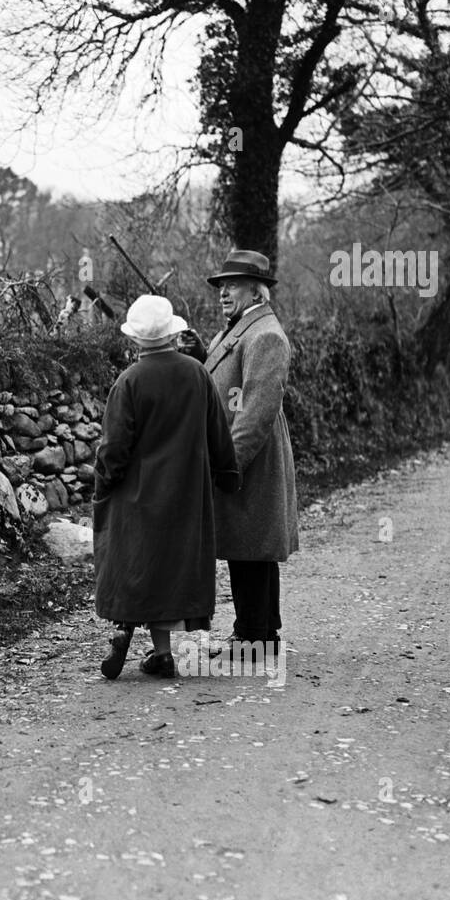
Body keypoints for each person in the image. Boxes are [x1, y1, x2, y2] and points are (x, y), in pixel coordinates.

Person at [95, 294, 240, 680]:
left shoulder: (129, 382)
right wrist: (228, 474)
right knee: (169, 568)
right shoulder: (197, 374)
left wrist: (106, 480)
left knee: (136, 560)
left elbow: (114, 446)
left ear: (136, 339)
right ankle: (161, 654)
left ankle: (126, 626)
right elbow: (219, 433)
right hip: (187, 493)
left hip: (138, 492)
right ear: (172, 333)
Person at [202, 249, 299, 652]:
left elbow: (257, 411)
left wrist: (230, 463)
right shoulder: (242, 327)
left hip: (252, 457)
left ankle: (256, 634)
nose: (224, 292)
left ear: (257, 291)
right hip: (242, 455)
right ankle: (257, 629)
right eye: (222, 286)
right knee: (247, 547)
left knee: (252, 547)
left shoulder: (266, 335)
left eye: (233, 285)